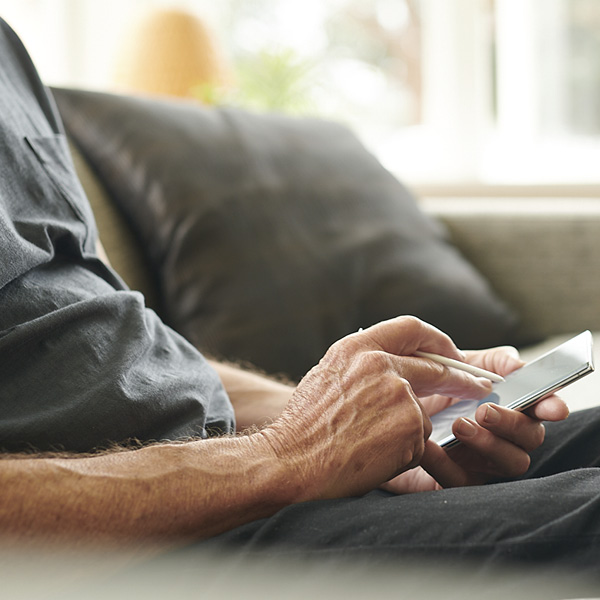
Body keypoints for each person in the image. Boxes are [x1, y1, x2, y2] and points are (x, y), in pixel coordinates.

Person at [0, 16, 599, 575]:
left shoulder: (9, 51)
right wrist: (285, 459)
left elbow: (104, 336)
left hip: (237, 472)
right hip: (156, 540)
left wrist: (366, 422)